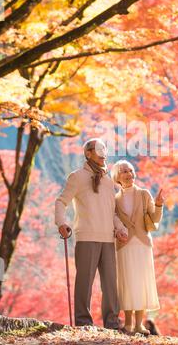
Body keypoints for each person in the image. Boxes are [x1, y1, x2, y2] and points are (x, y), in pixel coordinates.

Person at [55, 138, 128, 329]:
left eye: (105, 149)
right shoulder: (77, 177)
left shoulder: (107, 181)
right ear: (88, 153)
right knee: (84, 283)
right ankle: (83, 323)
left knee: (111, 285)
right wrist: (61, 222)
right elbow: (61, 202)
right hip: (87, 237)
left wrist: (120, 228)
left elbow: (111, 211)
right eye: (99, 150)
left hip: (108, 238)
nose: (104, 153)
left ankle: (112, 324)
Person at [111, 160, 164, 335]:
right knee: (127, 282)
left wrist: (159, 204)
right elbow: (114, 221)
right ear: (117, 176)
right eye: (124, 171)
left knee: (141, 282)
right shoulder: (115, 199)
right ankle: (127, 324)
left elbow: (154, 218)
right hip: (124, 245)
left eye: (131, 171)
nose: (129, 174)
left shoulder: (143, 194)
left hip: (142, 244)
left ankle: (139, 325)